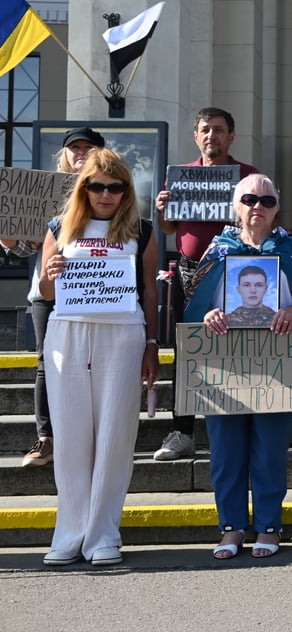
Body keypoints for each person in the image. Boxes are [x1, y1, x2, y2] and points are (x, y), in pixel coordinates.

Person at [186, 174, 292, 559]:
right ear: (237, 207)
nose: (257, 207)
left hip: (277, 360)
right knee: (226, 450)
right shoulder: (217, 250)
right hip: (223, 360)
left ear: (277, 208)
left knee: (269, 449)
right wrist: (209, 314)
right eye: (249, 199)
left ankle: (268, 526)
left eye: (266, 201)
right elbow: (194, 304)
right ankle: (231, 528)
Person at [38, 149, 160, 566]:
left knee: (114, 434)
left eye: (115, 187)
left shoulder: (141, 231)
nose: (105, 194)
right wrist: (50, 275)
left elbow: (150, 291)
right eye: (97, 186)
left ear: (126, 190)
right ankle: (69, 532)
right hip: (68, 332)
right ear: (83, 188)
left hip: (123, 334)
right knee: (71, 435)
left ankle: (104, 533)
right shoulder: (59, 228)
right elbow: (47, 291)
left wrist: (151, 344)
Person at [153, 107, 259, 461]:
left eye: (218, 129)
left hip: (234, 275)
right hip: (189, 272)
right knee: (187, 352)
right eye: (205, 130)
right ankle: (182, 431)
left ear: (231, 136)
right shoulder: (181, 177)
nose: (211, 135)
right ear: (196, 137)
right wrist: (164, 211)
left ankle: (235, 430)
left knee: (236, 352)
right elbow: (171, 230)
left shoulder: (249, 178)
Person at [6, 127, 106, 468]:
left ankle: (88, 438)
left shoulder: (110, 190)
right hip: (49, 292)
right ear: (63, 155)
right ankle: (46, 437)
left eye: (86, 147)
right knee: (46, 363)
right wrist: (8, 236)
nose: (79, 153)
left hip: (97, 290)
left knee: (93, 364)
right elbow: (20, 248)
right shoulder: (45, 193)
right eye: (73, 148)